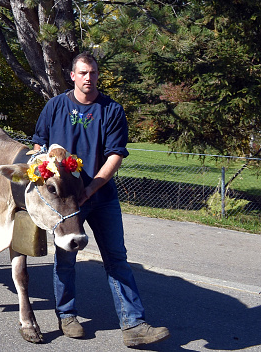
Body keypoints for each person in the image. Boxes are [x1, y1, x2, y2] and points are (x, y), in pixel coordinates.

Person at [32, 52, 169, 348]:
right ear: (72, 75)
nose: (88, 78)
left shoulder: (111, 110)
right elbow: (38, 145)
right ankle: (67, 316)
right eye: (82, 73)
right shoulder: (55, 106)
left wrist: (91, 188)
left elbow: (115, 154)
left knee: (116, 259)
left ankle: (134, 325)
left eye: (93, 73)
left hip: (101, 196)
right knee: (66, 260)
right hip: (67, 203)